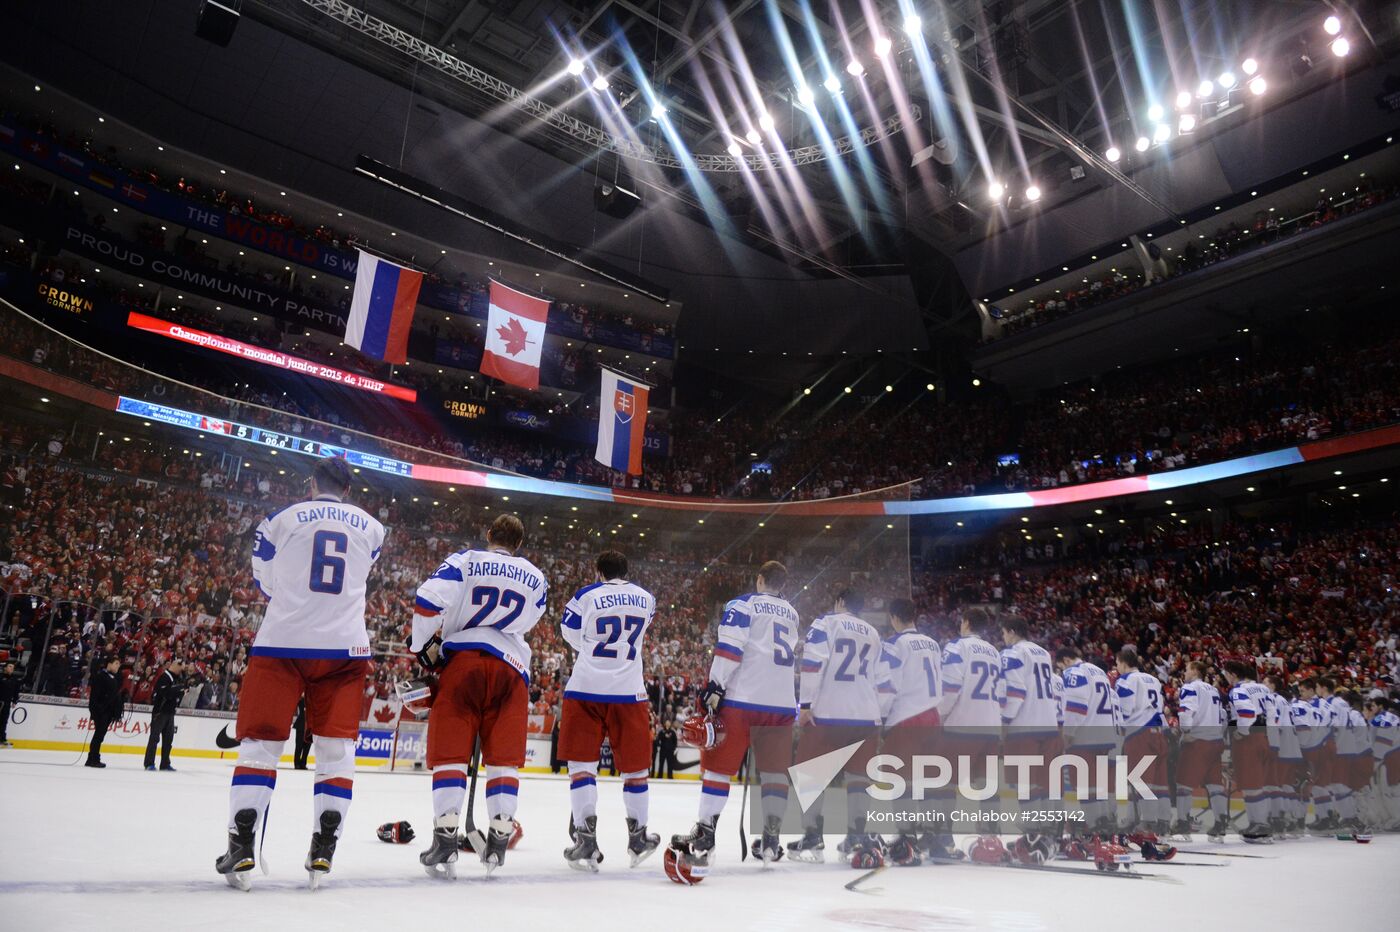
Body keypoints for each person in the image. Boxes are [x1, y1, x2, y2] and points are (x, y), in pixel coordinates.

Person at [214, 456, 386, 891]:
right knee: (336, 750)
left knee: (260, 746)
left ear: (312, 483)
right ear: (348, 490)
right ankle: (324, 848)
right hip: (345, 647)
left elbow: (264, 580)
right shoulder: (373, 528)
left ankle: (242, 844)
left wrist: (294, 598)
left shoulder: (280, 519)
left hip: (282, 641)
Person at [411, 513, 548, 878]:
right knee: (504, 759)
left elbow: (427, 601)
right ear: (519, 544)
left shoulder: (466, 560)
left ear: (489, 534)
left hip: (465, 663)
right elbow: (530, 619)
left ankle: (445, 838)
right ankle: (499, 840)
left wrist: (421, 646)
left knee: (451, 753)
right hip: (512, 670)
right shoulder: (536, 577)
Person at [670, 562, 798, 873]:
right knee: (774, 774)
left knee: (718, 768)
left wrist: (715, 685)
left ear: (760, 579)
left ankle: (705, 834)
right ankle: (771, 839)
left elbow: (729, 647)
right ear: (782, 584)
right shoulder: (792, 613)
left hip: (744, 698)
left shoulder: (744, 604)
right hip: (782, 704)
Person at [558, 550, 658, 871]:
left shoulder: (586, 595)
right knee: (636, 769)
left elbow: (569, 632)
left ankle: (585, 839)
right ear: (626, 571)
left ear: (599, 572)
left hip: (586, 687)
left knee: (582, 767)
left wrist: (591, 650)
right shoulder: (646, 598)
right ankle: (639, 838)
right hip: (629, 690)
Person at [787, 588, 890, 864]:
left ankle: (813, 835)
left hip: (830, 712)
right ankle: (856, 836)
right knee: (858, 778)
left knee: (810, 774)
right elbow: (883, 679)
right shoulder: (873, 632)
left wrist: (805, 704)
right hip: (866, 714)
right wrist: (879, 712)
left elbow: (813, 664)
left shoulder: (826, 623)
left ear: (840, 602)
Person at [877, 597, 943, 864]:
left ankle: (906, 838)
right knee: (927, 780)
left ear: (894, 617)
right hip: (933, 717)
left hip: (907, 718)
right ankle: (932, 834)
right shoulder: (933, 643)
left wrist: (881, 717)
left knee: (900, 780)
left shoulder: (895, 643)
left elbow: (888, 686)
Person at [937, 607, 1004, 847]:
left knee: (945, 781)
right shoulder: (995, 652)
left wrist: (940, 714)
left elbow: (950, 688)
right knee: (987, 784)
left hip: (962, 725)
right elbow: (1002, 692)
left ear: (965, 623)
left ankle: (943, 837)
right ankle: (991, 836)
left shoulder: (957, 647)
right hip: (991, 726)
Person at [998, 615, 1061, 862]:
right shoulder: (1043, 652)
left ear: (1012, 631)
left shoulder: (1013, 653)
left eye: (1004, 633)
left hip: (1024, 725)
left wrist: (1005, 720)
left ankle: (1032, 837)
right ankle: (1046, 836)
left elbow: (1015, 691)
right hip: (1048, 724)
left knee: (1025, 783)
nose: (1003, 638)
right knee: (1044, 784)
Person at [1055, 644, 1117, 835]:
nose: (1061, 671)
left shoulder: (1074, 672)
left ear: (1066, 660)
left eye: (1060, 667)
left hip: (1085, 737)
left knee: (1084, 785)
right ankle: (1104, 823)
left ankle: (1094, 829)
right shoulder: (1098, 671)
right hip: (1105, 735)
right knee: (1098, 784)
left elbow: (1076, 706)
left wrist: (1068, 734)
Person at [1115, 647, 1170, 834]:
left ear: (1123, 662)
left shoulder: (1126, 679)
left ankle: (1147, 821)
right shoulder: (1153, 679)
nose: (1117, 667)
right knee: (1160, 781)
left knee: (1139, 780)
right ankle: (1163, 820)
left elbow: (1125, 710)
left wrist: (1119, 731)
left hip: (1138, 733)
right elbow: (1160, 708)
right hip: (1158, 732)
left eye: (1117, 663)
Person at [1172, 660, 1226, 840]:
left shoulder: (1190, 687)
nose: (1185, 673)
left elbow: (1186, 711)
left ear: (1195, 671)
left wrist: (1186, 731)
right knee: (1215, 785)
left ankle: (1182, 824)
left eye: (1187, 669)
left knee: (1183, 785)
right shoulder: (1213, 690)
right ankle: (1220, 823)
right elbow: (1223, 715)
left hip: (1198, 740)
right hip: (1216, 740)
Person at [1222, 659, 1273, 842]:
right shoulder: (1263, 688)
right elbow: (1272, 713)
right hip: (1263, 736)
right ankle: (1258, 823)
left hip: (1248, 739)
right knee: (1258, 783)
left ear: (1233, 674)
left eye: (1226, 674)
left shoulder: (1238, 690)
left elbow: (1247, 713)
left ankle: (1260, 825)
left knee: (1251, 785)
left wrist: (1241, 732)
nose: (1226, 678)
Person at [144, 658, 185, 771]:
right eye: (180, 668)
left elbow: (175, 693)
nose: (181, 671)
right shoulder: (164, 677)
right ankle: (149, 763)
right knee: (154, 738)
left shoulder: (176, 678)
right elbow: (165, 693)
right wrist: (179, 690)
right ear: (175, 665)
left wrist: (180, 691)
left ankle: (165, 763)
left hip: (170, 712)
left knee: (168, 740)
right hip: (160, 712)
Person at [86, 655, 125, 768]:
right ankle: (94, 759)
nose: (118, 666)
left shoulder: (113, 677)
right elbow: (95, 696)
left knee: (100, 735)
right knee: (99, 735)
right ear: (109, 664)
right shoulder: (101, 676)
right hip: (101, 711)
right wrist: (98, 710)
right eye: (116, 664)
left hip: (108, 711)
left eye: (119, 664)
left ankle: (91, 758)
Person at [0, 660, 21, 747]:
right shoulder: (0, 677)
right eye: (10, 666)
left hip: (7, 703)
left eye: (13, 667)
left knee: (4, 721)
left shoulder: (15, 679)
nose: (12, 668)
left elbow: (16, 691)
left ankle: (2, 739)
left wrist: (15, 701)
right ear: (5, 668)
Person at [292, 698, 311, 770]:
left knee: (307, 747)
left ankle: (303, 763)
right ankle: (297, 763)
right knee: (299, 746)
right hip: (301, 726)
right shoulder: (301, 701)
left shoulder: (313, 702)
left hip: (310, 727)